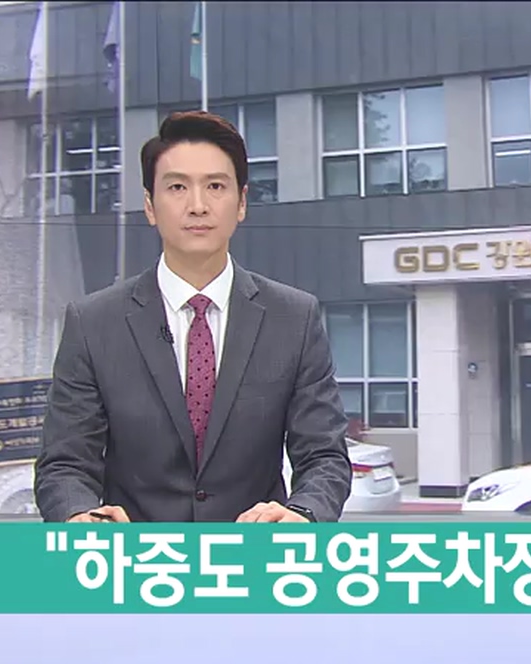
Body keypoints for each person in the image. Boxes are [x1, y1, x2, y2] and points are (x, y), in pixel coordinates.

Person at [33, 111, 352, 523]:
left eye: (215, 186)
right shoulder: (93, 323)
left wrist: (302, 514)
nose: (198, 206)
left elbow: (325, 456)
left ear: (241, 203)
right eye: (177, 187)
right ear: (150, 206)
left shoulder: (294, 318)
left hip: (253, 554)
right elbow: (64, 463)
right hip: (135, 555)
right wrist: (80, 515)